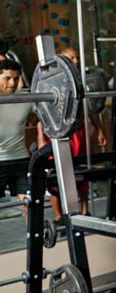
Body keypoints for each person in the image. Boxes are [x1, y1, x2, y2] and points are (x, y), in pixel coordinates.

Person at [37, 47, 107, 217]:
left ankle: (83, 212)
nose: (75, 61)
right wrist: (41, 137)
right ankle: (58, 215)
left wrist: (99, 130)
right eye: (71, 58)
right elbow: (42, 112)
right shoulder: (52, 80)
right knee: (55, 175)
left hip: (78, 132)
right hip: (58, 131)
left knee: (81, 174)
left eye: (76, 58)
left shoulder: (82, 79)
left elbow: (90, 109)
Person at [0, 59, 36, 216]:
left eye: (15, 78)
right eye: (7, 78)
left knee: (30, 204)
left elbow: (43, 114)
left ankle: (35, 240)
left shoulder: (25, 99)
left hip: (21, 159)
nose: (12, 83)